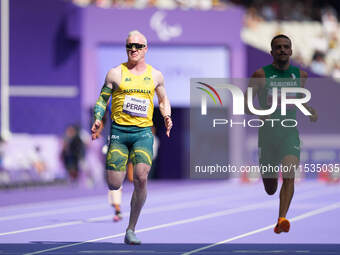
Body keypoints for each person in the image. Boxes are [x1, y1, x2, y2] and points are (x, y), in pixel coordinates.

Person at [91, 30, 172, 244]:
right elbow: (101, 100)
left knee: (141, 177)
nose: (133, 49)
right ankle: (118, 200)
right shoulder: (115, 73)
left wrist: (167, 116)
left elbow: (163, 100)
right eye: (129, 46)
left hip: (143, 133)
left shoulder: (156, 75)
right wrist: (98, 118)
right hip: (119, 132)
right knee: (114, 183)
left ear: (146, 48)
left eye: (137, 46)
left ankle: (131, 228)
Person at [245, 34, 317, 234]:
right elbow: (245, 104)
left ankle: (281, 219)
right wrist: (262, 113)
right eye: (278, 47)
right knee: (270, 188)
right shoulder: (260, 75)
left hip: (289, 134)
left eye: (286, 47)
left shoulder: (300, 76)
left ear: (291, 51)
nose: (283, 50)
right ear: (272, 52)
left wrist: (309, 110)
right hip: (267, 137)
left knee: (289, 175)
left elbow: (297, 100)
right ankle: (271, 190)